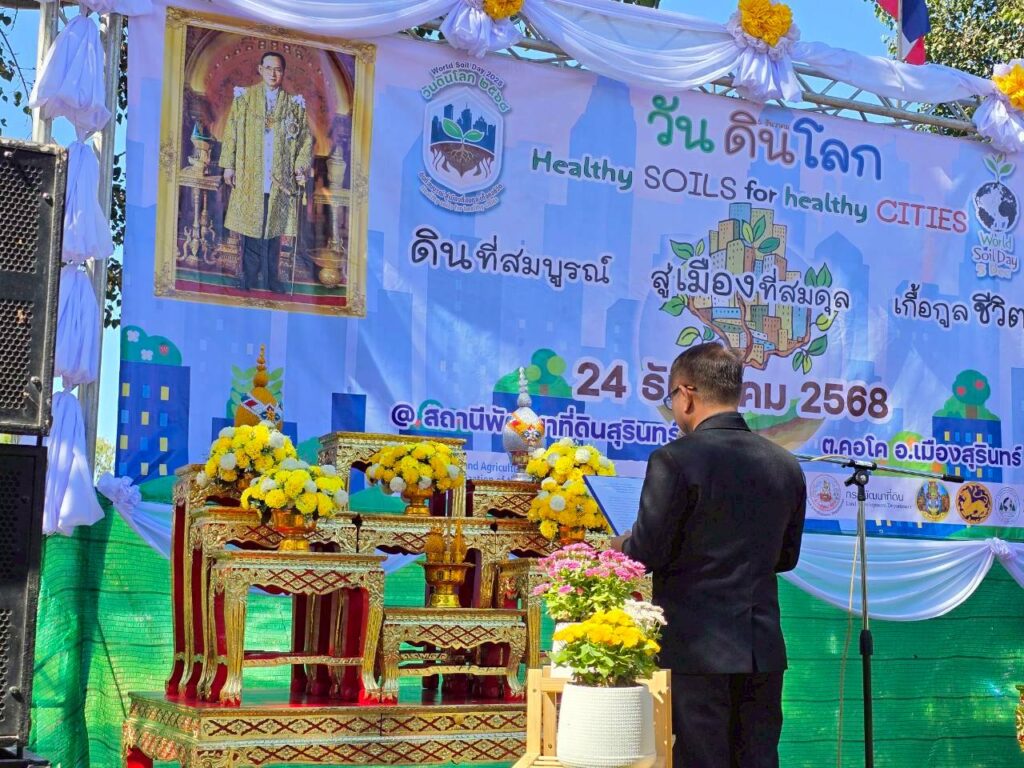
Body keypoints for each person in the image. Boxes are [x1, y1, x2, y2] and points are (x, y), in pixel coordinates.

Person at [611, 342, 806, 768]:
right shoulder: (785, 464)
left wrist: (618, 544)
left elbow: (646, 553)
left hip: (695, 649)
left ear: (686, 394)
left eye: (672, 398)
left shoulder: (674, 459)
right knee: (757, 759)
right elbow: (786, 558)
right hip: (761, 649)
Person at [220, 51, 312, 294]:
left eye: (278, 69)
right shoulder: (244, 98)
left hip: (280, 178)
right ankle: (248, 278)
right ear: (260, 69)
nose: (273, 73)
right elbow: (231, 132)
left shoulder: (294, 105)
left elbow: (304, 141)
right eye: (269, 68)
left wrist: (300, 168)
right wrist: (229, 165)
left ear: (283, 73)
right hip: (251, 174)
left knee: (273, 230)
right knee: (252, 229)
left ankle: (272, 280)